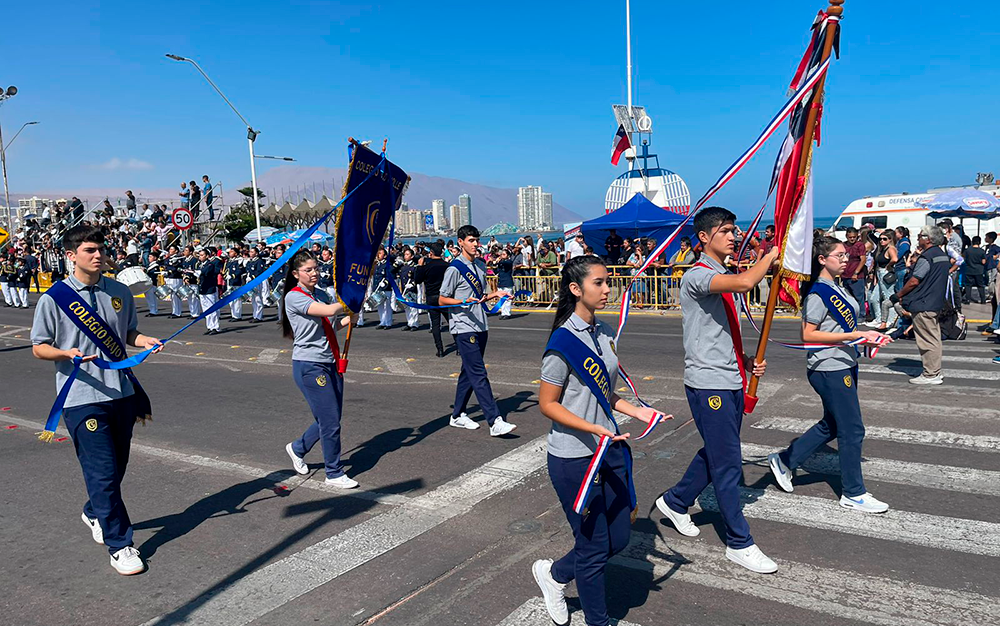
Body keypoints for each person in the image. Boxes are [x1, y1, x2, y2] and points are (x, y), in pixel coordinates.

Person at [532, 255, 670, 626]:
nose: (608, 289)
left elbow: (603, 392)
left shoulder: (605, 332)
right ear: (576, 289)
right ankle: (599, 620)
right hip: (574, 457)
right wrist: (591, 428)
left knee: (620, 537)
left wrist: (638, 411)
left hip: (608, 449)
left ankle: (555, 574)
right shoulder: (562, 342)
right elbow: (548, 404)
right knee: (593, 548)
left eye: (609, 281)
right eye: (599, 283)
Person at [30, 224, 163, 575]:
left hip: (121, 392)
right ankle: (120, 544)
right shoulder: (54, 298)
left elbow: (127, 333)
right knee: (102, 470)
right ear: (71, 255)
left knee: (117, 466)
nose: (99, 255)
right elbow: (38, 346)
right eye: (90, 250)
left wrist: (143, 339)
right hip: (80, 396)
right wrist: (64, 353)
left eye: (101, 249)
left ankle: (94, 511)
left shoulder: (118, 291)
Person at [655, 206, 779, 574]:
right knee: (727, 463)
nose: (733, 236)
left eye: (734, 230)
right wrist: (769, 257)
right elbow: (745, 284)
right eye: (725, 230)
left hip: (729, 377)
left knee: (717, 451)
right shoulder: (697, 274)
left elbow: (717, 329)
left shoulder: (722, 272)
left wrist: (743, 359)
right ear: (704, 237)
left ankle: (676, 501)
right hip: (709, 383)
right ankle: (739, 542)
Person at [767, 235, 892, 513]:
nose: (846, 260)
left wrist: (864, 339)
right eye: (840, 255)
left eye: (847, 255)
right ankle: (853, 492)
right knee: (853, 429)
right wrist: (857, 334)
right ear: (822, 259)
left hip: (844, 363)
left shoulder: (839, 286)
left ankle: (785, 460)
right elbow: (808, 335)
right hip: (828, 367)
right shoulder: (817, 293)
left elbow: (842, 329)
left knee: (832, 425)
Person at [281, 250, 359, 489]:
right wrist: (349, 300)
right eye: (308, 270)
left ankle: (298, 448)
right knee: (331, 420)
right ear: (296, 274)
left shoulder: (321, 294)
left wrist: (351, 318)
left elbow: (332, 324)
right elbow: (326, 311)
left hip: (330, 361)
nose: (314, 273)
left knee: (330, 417)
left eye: (315, 268)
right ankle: (333, 472)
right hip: (310, 365)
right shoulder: (294, 297)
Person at [438, 225, 516, 435]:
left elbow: (480, 296)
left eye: (476, 240)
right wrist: (462, 300)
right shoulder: (454, 268)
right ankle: (495, 420)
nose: (475, 244)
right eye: (471, 240)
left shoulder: (480, 266)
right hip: (463, 326)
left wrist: (496, 294)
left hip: (481, 324)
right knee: (479, 372)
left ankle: (457, 415)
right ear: (460, 242)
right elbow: (442, 298)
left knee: (468, 372)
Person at [892, 225, 949, 385]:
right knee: (934, 338)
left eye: (920, 236)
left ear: (928, 239)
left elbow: (915, 280)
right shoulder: (942, 255)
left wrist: (899, 294)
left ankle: (930, 374)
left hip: (924, 303)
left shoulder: (927, 257)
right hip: (935, 302)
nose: (917, 238)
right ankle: (935, 370)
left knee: (926, 340)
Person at [414, 243, 451, 357]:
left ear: (431, 253)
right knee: (452, 322)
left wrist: (420, 266)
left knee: (435, 325)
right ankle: (459, 347)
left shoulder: (427, 266)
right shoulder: (447, 265)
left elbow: (417, 280)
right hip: (444, 297)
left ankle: (439, 349)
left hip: (431, 297)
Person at [864, 230, 898, 330]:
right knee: (874, 298)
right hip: (879, 273)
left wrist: (888, 265)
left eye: (884, 239)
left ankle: (891, 321)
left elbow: (894, 259)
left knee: (888, 297)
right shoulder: (882, 248)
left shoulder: (890, 248)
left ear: (890, 240)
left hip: (885, 273)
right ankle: (879, 319)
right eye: (880, 239)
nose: (881, 241)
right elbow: (871, 237)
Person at [197, 248, 221, 335]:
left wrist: (197, 272)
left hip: (209, 289)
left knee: (212, 308)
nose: (200, 257)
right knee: (205, 309)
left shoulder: (210, 264)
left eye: (202, 255)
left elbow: (205, 272)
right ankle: (210, 326)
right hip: (202, 289)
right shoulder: (200, 264)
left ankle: (215, 327)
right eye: (199, 255)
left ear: (207, 256)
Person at [842, 227, 867, 307]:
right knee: (848, 297)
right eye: (850, 237)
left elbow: (863, 259)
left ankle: (861, 316)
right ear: (846, 236)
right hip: (845, 275)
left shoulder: (860, 245)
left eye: (854, 237)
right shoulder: (843, 245)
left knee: (859, 297)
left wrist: (856, 273)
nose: (852, 239)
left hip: (856, 276)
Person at [398, 249, 421, 331]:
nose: (405, 256)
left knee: (413, 307)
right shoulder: (403, 267)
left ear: (412, 256)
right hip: (405, 289)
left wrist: (412, 284)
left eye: (407, 254)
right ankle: (409, 322)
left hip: (412, 289)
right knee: (407, 307)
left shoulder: (415, 267)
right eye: (405, 254)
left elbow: (417, 278)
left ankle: (415, 324)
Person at [371, 248, 394, 329]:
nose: (378, 255)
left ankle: (388, 322)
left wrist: (385, 282)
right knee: (380, 306)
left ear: (385, 256)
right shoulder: (377, 265)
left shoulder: (387, 264)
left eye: (380, 253)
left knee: (386, 306)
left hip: (385, 288)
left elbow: (390, 275)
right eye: (378, 253)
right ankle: (382, 321)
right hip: (378, 288)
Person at [962, 236, 987, 304]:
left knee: (968, 285)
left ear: (972, 242)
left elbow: (963, 258)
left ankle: (968, 300)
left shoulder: (968, 251)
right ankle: (983, 300)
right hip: (979, 270)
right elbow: (983, 262)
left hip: (969, 270)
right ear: (979, 242)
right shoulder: (981, 251)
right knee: (980, 285)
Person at [223, 247, 246, 321]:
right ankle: (233, 314)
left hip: (236, 282)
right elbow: (226, 270)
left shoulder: (239, 261)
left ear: (236, 253)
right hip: (229, 282)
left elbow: (240, 271)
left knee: (236, 300)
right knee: (231, 300)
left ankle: (237, 316)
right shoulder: (229, 261)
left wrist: (233, 276)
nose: (230, 253)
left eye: (232, 252)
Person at [245, 247, 267, 323]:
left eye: (252, 252)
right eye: (250, 252)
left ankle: (259, 316)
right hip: (251, 282)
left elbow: (259, 271)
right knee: (253, 299)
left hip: (256, 281)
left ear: (256, 253)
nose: (250, 253)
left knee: (258, 298)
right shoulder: (249, 262)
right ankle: (255, 315)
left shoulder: (259, 261)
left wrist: (252, 277)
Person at [163, 245, 185, 319]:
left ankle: (178, 312)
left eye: (172, 249)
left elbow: (177, 268)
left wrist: (169, 269)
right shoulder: (168, 258)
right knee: (172, 296)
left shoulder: (179, 258)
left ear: (176, 251)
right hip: (169, 278)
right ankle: (174, 311)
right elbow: (164, 264)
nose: (170, 250)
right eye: (170, 249)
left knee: (176, 295)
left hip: (176, 278)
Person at [144, 250, 163, 317]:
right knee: (148, 298)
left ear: (155, 258)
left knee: (152, 298)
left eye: (150, 257)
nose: (149, 258)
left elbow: (153, 274)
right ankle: (152, 310)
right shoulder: (149, 265)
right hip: (148, 284)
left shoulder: (155, 266)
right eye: (149, 257)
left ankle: (153, 311)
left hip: (152, 283)